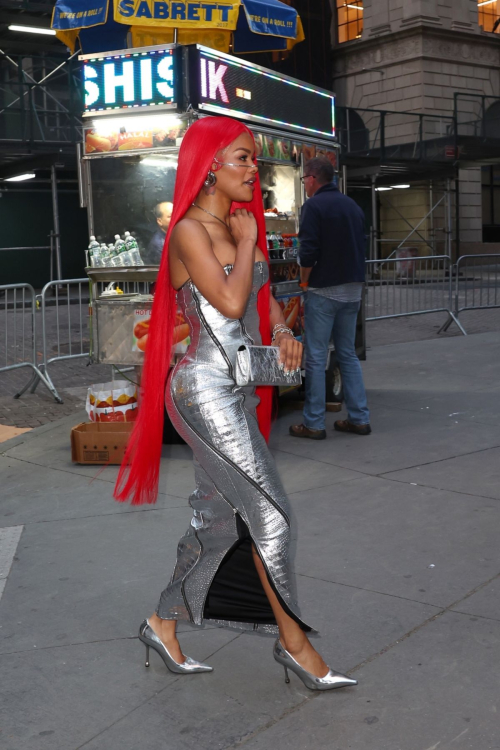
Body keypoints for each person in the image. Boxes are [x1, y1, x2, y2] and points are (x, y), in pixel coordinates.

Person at [114, 117, 357, 692]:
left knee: (221, 526)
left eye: (253, 159)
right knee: (272, 517)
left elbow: (262, 305)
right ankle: (296, 646)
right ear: (211, 166)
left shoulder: (240, 223)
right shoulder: (189, 233)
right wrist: (249, 242)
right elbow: (225, 301)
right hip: (202, 391)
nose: (255, 170)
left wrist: (284, 334)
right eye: (244, 158)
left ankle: (161, 623)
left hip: (237, 388)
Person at [290, 157, 371, 440]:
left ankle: (313, 423)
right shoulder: (351, 205)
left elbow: (308, 250)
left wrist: (303, 278)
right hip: (352, 290)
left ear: (312, 178)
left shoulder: (313, 206)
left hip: (324, 290)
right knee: (347, 353)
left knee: (315, 357)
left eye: (304, 180)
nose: (305, 185)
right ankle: (359, 418)